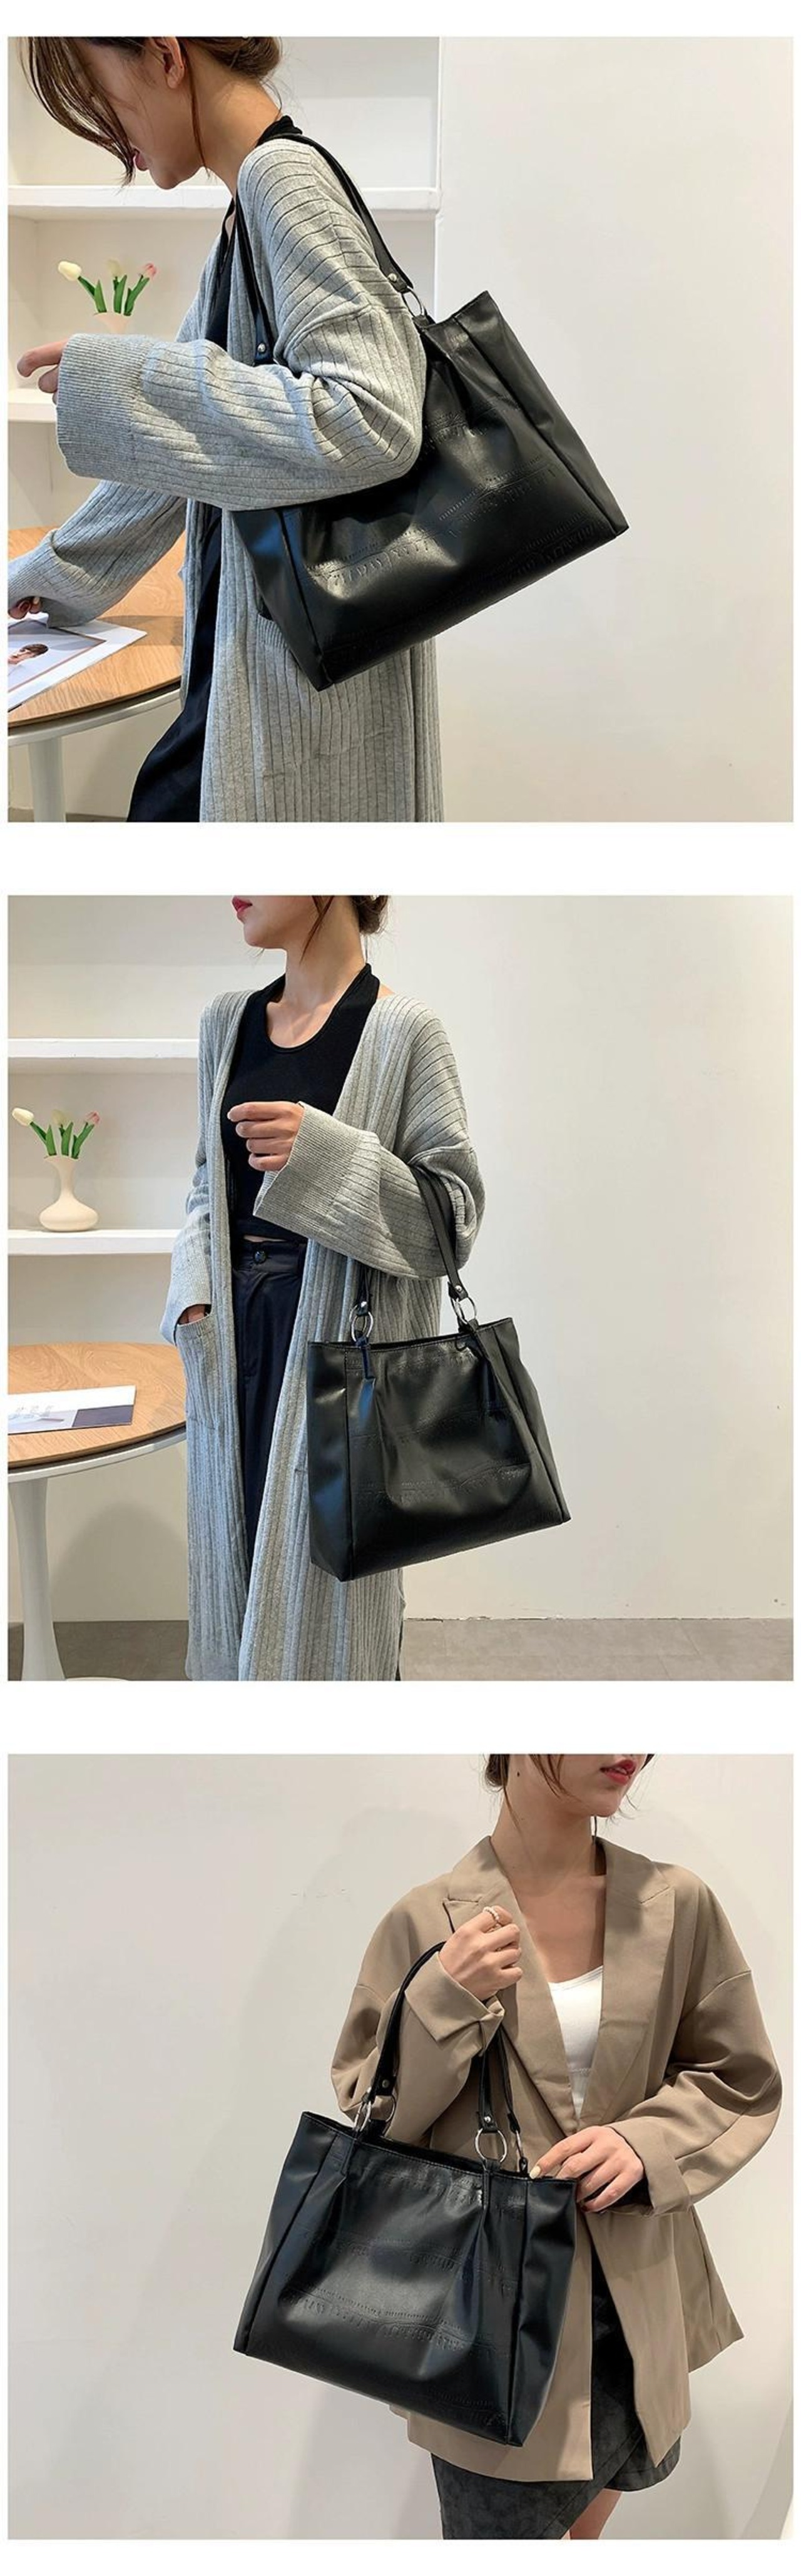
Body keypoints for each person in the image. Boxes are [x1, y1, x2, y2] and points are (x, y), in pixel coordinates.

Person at [332, 1754, 783, 2541]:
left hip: (634, 2296)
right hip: (486, 2315)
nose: (629, 1746)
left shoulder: (673, 1904)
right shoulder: (426, 1920)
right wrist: (444, 1997)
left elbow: (734, 2075)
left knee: (585, 2539)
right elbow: (376, 2115)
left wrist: (645, 2143)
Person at [8, 38, 441, 823]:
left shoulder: (283, 182)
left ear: (164, 55)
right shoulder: (248, 206)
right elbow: (179, 449)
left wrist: (129, 380)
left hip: (296, 674)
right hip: (261, 659)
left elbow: (372, 418)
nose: (107, 136)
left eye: (97, 94)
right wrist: (54, 579)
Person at [159, 895, 483, 1682]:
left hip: (342, 1348)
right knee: (233, 1558)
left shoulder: (406, 1033)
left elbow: (453, 1219)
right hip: (233, 1337)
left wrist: (325, 1156)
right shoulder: (226, 1023)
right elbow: (206, 1181)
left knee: (334, 1589)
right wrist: (194, 1300)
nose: (234, 886)